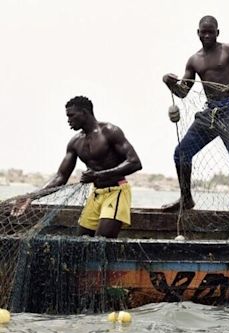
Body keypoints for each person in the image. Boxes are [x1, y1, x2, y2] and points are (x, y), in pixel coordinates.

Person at [162, 15, 229, 225]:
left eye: (210, 32)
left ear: (217, 33)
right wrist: (169, 83)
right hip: (209, 113)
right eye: (203, 32)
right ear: (198, 33)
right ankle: (186, 199)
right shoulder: (194, 60)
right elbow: (183, 92)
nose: (206, 35)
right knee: (181, 152)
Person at [12, 96, 142, 238]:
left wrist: (99, 175)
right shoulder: (75, 142)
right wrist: (32, 196)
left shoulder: (110, 131)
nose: (68, 120)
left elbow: (135, 163)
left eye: (71, 115)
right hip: (96, 194)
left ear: (84, 113)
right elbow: (60, 177)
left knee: (101, 242)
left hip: (116, 192)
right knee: (80, 242)